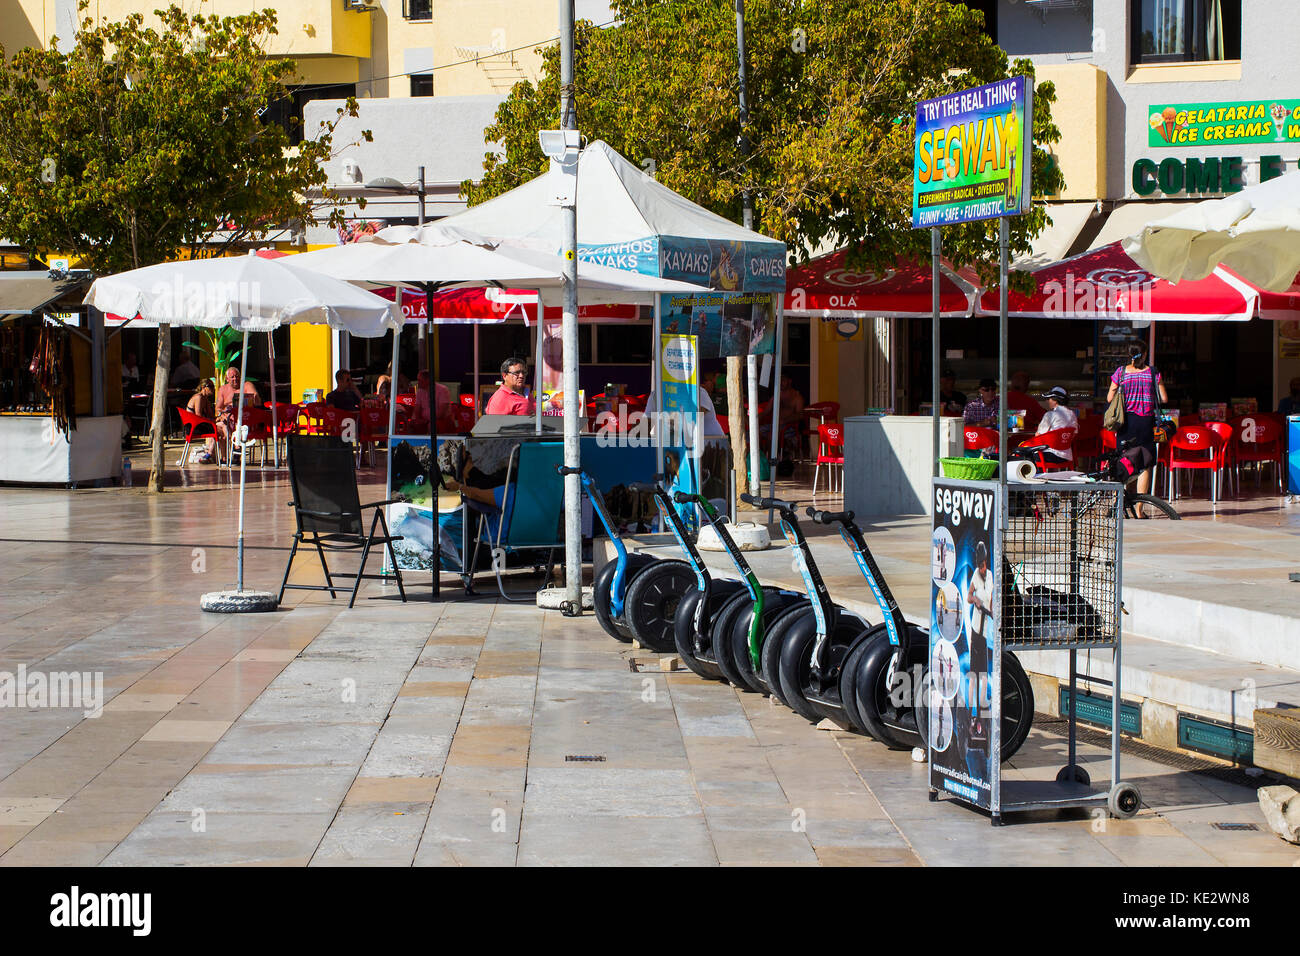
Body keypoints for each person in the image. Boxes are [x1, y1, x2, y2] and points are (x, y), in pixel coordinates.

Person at [1106, 348, 1168, 517]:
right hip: (1146, 423)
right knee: (1145, 464)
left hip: (1126, 423)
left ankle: (1118, 506)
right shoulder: (1153, 372)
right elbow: (1164, 398)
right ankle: (1139, 510)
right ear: (1145, 355)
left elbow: (1110, 399)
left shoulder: (1120, 372)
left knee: (1123, 461)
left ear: (1129, 355)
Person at [1030, 386, 1079, 465]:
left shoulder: (1050, 415)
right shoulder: (1072, 414)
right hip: (1067, 456)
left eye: (1049, 399)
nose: (1047, 401)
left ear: (1055, 401)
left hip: (1050, 455)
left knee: (1025, 455)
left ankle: (1037, 477)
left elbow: (1038, 436)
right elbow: (1074, 433)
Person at [215, 366, 259, 448]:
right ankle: (224, 458)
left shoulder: (247, 385)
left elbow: (256, 399)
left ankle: (236, 450)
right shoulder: (223, 389)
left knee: (238, 428)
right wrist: (222, 415)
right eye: (232, 377)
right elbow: (218, 408)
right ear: (227, 379)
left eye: (237, 376)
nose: (235, 379)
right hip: (228, 419)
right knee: (218, 429)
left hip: (245, 420)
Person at [186, 379, 218, 463]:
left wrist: (218, 418)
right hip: (193, 427)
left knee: (218, 428)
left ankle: (210, 455)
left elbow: (211, 416)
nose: (213, 389)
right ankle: (210, 455)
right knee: (217, 430)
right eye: (210, 387)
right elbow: (198, 416)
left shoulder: (205, 399)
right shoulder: (198, 397)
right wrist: (213, 420)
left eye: (213, 387)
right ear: (203, 387)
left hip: (198, 424)